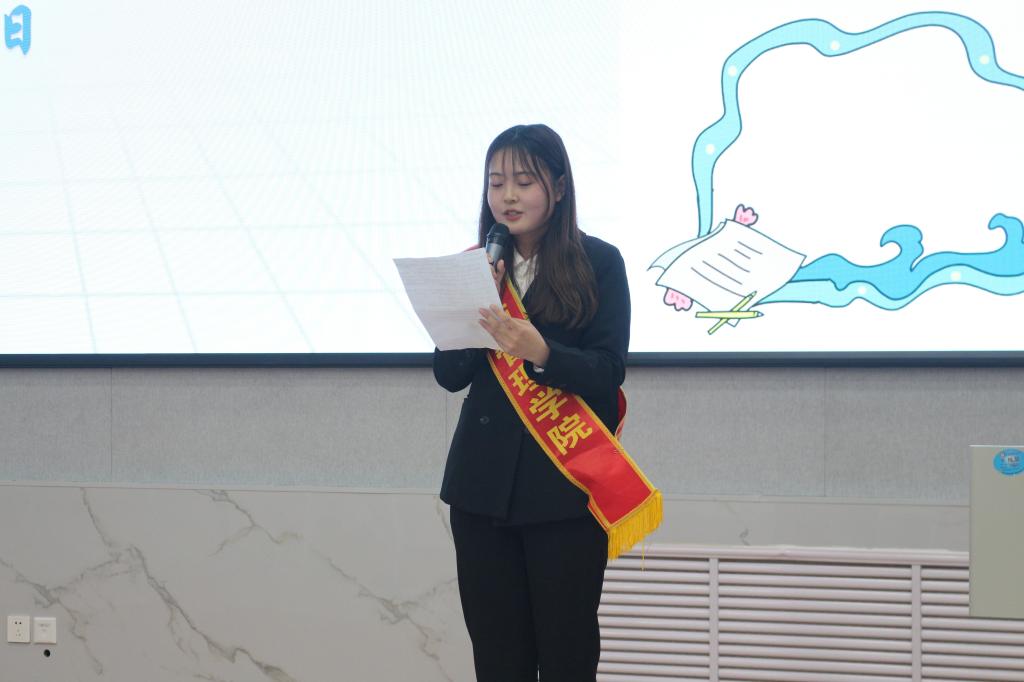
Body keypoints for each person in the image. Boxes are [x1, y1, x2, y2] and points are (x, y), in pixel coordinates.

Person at [432, 124, 631, 681]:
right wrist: (477, 298)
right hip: (480, 492)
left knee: (567, 657)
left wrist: (542, 351)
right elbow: (449, 375)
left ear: (559, 187)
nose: (508, 196)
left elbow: (607, 371)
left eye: (523, 181)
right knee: (498, 659)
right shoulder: (476, 266)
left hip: (564, 493)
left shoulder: (599, 262)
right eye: (496, 183)